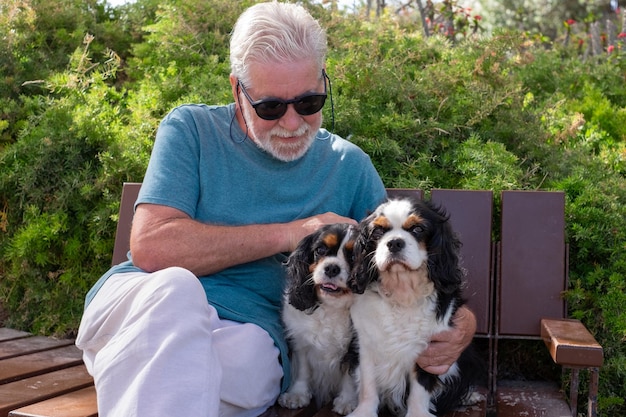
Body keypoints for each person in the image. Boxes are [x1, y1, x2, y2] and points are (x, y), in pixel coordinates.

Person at [75, 2, 477, 416]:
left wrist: (461, 322)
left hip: (251, 330)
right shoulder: (191, 131)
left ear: (324, 81)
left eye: (308, 102)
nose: (291, 123)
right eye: (270, 107)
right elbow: (152, 248)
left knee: (251, 369)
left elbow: (393, 265)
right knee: (177, 290)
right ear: (237, 90)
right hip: (145, 304)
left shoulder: (349, 166)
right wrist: (292, 233)